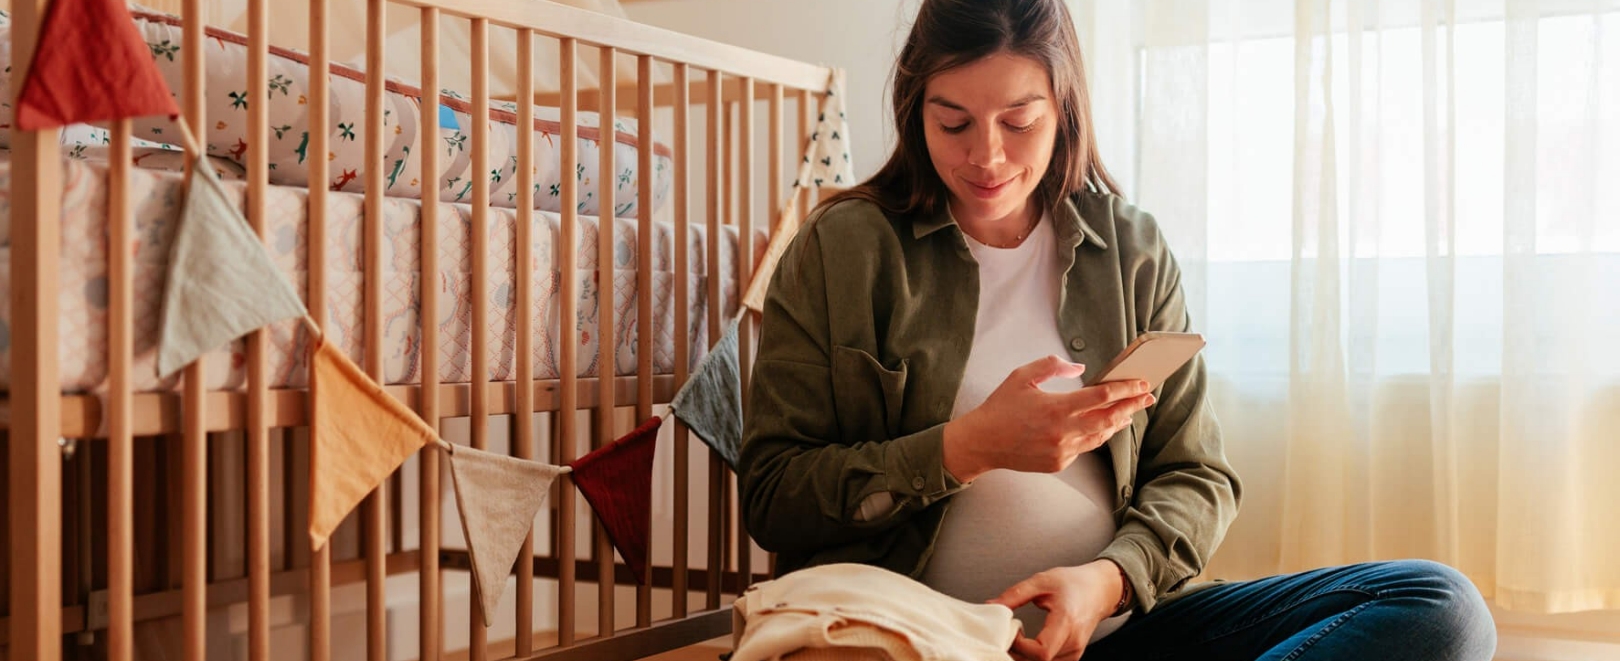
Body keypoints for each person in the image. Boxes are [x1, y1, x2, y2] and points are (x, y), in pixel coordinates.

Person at [738, 0, 1499, 660]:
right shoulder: (843, 248)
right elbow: (774, 498)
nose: (987, 156)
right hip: (923, 636)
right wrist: (966, 447)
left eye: (1019, 120)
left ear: (1063, 104)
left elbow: (1197, 475)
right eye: (954, 122)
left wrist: (1107, 582)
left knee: (1440, 605)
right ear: (916, 108)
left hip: (1126, 632)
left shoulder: (1129, 249)